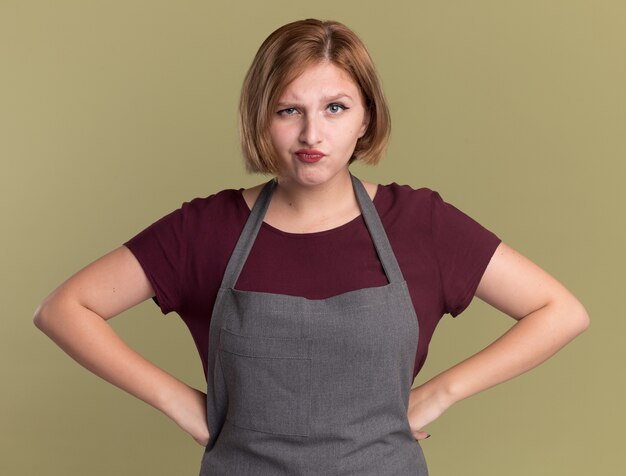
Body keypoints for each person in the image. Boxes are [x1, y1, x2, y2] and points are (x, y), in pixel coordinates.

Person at [33, 18, 589, 475]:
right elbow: (63, 309)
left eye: (335, 108)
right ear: (261, 118)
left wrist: (442, 392)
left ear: (366, 117)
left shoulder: (420, 223)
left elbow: (561, 312)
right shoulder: (207, 228)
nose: (312, 136)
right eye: (288, 109)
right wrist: (178, 401)